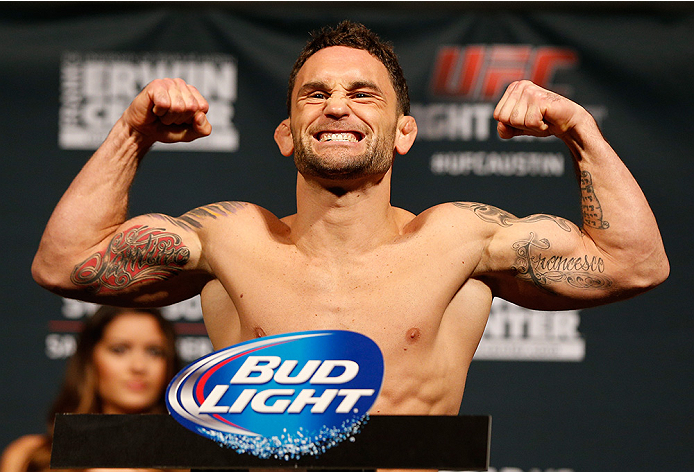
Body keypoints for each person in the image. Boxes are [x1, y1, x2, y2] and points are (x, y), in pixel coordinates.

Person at [32, 19, 668, 422]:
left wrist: (580, 131)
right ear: (286, 135)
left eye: (363, 94)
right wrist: (131, 133)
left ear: (404, 133)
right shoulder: (232, 238)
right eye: (316, 93)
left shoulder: (459, 240)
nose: (337, 106)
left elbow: (634, 263)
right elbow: (64, 262)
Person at [0, 306, 181, 472]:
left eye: (154, 351)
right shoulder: (29, 456)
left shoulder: (191, 461)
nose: (139, 366)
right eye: (119, 349)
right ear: (90, 360)